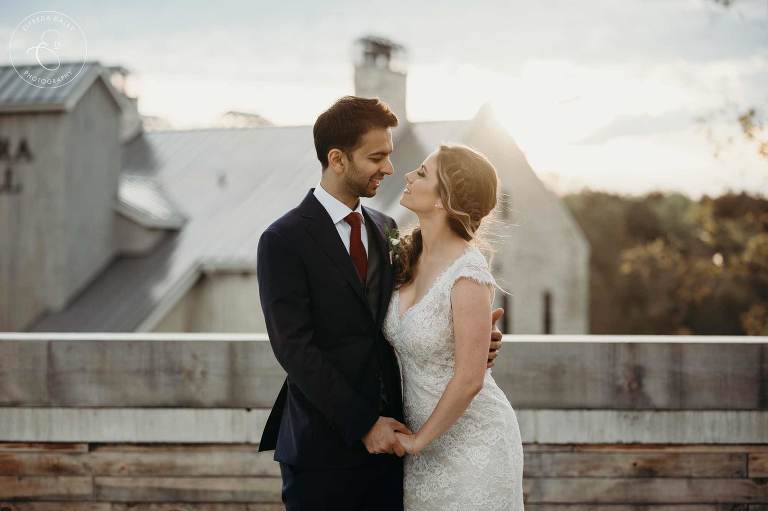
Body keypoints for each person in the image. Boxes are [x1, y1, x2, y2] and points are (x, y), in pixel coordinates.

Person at [256, 96, 505, 511]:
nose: (389, 169)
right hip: (323, 451)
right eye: (376, 157)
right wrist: (363, 425)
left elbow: (417, 308)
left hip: (394, 449)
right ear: (337, 159)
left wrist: (475, 342)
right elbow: (294, 349)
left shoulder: (386, 230)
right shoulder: (283, 241)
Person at [386, 144, 525, 510]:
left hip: (473, 447)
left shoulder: (468, 274)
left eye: (421, 173)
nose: (408, 176)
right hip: (421, 449)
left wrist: (417, 443)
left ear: (442, 201)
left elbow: (469, 379)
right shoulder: (404, 256)